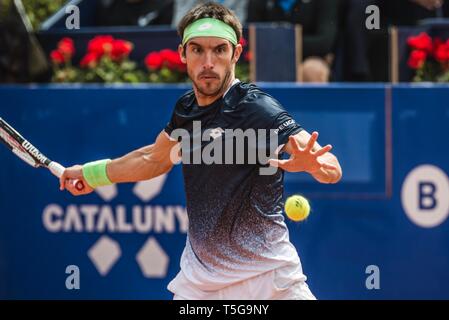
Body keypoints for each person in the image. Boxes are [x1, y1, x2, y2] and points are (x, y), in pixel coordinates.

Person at [60, 2, 342, 300]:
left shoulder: (257, 107)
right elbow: (154, 158)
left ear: (235, 53)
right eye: (198, 50)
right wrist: (91, 174)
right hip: (200, 288)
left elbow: (330, 166)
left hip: (271, 284)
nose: (209, 62)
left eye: (219, 50)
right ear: (183, 53)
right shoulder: (186, 111)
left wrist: (316, 165)